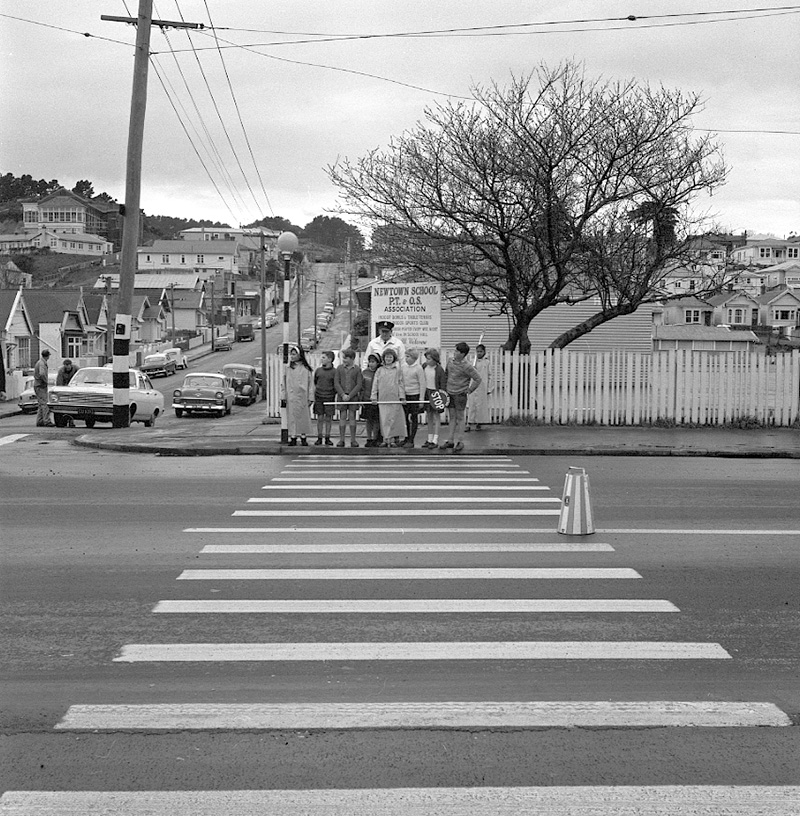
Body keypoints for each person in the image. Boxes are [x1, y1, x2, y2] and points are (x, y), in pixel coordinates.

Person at [441, 341, 482, 452]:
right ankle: (450, 440)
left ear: (463, 354)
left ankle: (460, 441)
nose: (454, 353)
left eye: (457, 351)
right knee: (452, 417)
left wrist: (469, 390)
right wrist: (444, 389)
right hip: (450, 392)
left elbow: (478, 379)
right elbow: (446, 374)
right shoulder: (450, 362)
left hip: (460, 394)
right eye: (455, 351)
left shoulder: (467, 366)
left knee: (460, 417)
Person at [371, 347, 406, 447]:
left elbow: (400, 383)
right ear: (384, 358)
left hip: (394, 397)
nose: (388, 359)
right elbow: (375, 384)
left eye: (390, 357)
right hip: (383, 398)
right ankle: (385, 439)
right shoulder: (380, 370)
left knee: (393, 418)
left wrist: (402, 397)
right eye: (387, 357)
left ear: (393, 358)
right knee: (384, 418)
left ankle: (393, 439)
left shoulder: (397, 370)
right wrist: (374, 396)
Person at [282, 344, 313, 446]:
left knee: (303, 417)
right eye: (291, 354)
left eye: (294, 354)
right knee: (292, 417)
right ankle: (293, 436)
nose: (292, 356)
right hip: (291, 396)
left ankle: (303, 437)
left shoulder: (306, 369)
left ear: (300, 355)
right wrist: (283, 395)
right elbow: (284, 383)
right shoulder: (288, 368)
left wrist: (311, 397)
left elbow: (310, 384)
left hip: (302, 397)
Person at [335, 348, 363, 447]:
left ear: (352, 359)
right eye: (343, 358)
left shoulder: (357, 369)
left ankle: (353, 440)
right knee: (342, 417)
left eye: (346, 358)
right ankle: (341, 439)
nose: (344, 360)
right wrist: (342, 394)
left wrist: (350, 395)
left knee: (352, 417)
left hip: (353, 397)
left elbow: (359, 384)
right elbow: (336, 383)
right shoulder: (339, 368)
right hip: (342, 396)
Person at [421, 347, 446, 449]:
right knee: (429, 416)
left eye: (429, 359)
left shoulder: (439, 369)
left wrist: (442, 396)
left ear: (435, 359)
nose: (427, 361)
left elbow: (442, 384)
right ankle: (429, 438)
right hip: (427, 392)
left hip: (436, 393)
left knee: (436, 416)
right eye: (426, 359)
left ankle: (435, 439)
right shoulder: (424, 366)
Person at [401, 348, 426, 447]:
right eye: (405, 356)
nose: (406, 358)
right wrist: (402, 396)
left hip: (415, 395)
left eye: (408, 357)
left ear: (414, 358)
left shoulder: (418, 368)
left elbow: (422, 384)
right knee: (405, 417)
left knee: (414, 417)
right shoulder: (403, 367)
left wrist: (421, 399)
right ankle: (406, 437)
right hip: (405, 395)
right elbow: (401, 382)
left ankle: (411, 439)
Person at [313, 350, 337, 446]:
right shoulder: (318, 371)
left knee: (328, 418)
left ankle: (327, 437)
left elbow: (336, 384)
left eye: (324, 357)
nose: (321, 359)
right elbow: (315, 381)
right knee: (320, 418)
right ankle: (319, 437)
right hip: (319, 396)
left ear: (330, 359)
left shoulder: (334, 372)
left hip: (329, 397)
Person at [466, 344, 492, 431]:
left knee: (480, 405)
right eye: (478, 351)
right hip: (473, 386)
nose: (479, 353)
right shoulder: (472, 361)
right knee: (471, 404)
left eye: (481, 351)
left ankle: (479, 423)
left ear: (484, 352)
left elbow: (490, 375)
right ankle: (469, 423)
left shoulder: (487, 362)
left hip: (482, 386)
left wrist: (489, 388)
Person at [360, 352, 382, 447]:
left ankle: (375, 438)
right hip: (367, 399)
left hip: (377, 400)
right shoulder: (365, 373)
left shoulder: (380, 372)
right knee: (368, 420)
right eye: (370, 362)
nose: (371, 364)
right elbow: (362, 386)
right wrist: (361, 399)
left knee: (376, 420)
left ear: (378, 363)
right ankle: (369, 438)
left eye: (373, 362)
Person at [33, 348, 54, 427]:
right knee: (45, 404)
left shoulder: (40, 362)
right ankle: (46, 421)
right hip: (40, 385)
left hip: (38, 385)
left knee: (41, 404)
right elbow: (42, 373)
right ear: (47, 356)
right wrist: (46, 381)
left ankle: (40, 420)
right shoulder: (42, 363)